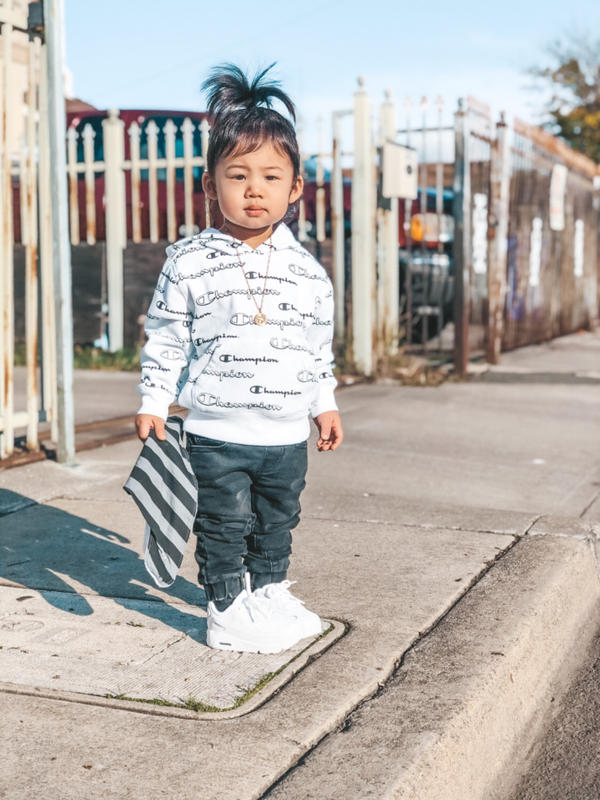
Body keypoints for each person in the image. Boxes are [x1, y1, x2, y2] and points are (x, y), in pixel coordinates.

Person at [135, 63, 343, 654]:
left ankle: (268, 592)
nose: (255, 189)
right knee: (224, 524)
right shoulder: (189, 260)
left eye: (271, 176)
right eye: (239, 175)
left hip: (284, 433)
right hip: (216, 430)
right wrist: (154, 400)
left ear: (295, 188)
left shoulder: (308, 272)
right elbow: (167, 336)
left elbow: (316, 347)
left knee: (278, 518)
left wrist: (324, 404)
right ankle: (226, 608)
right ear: (210, 186)